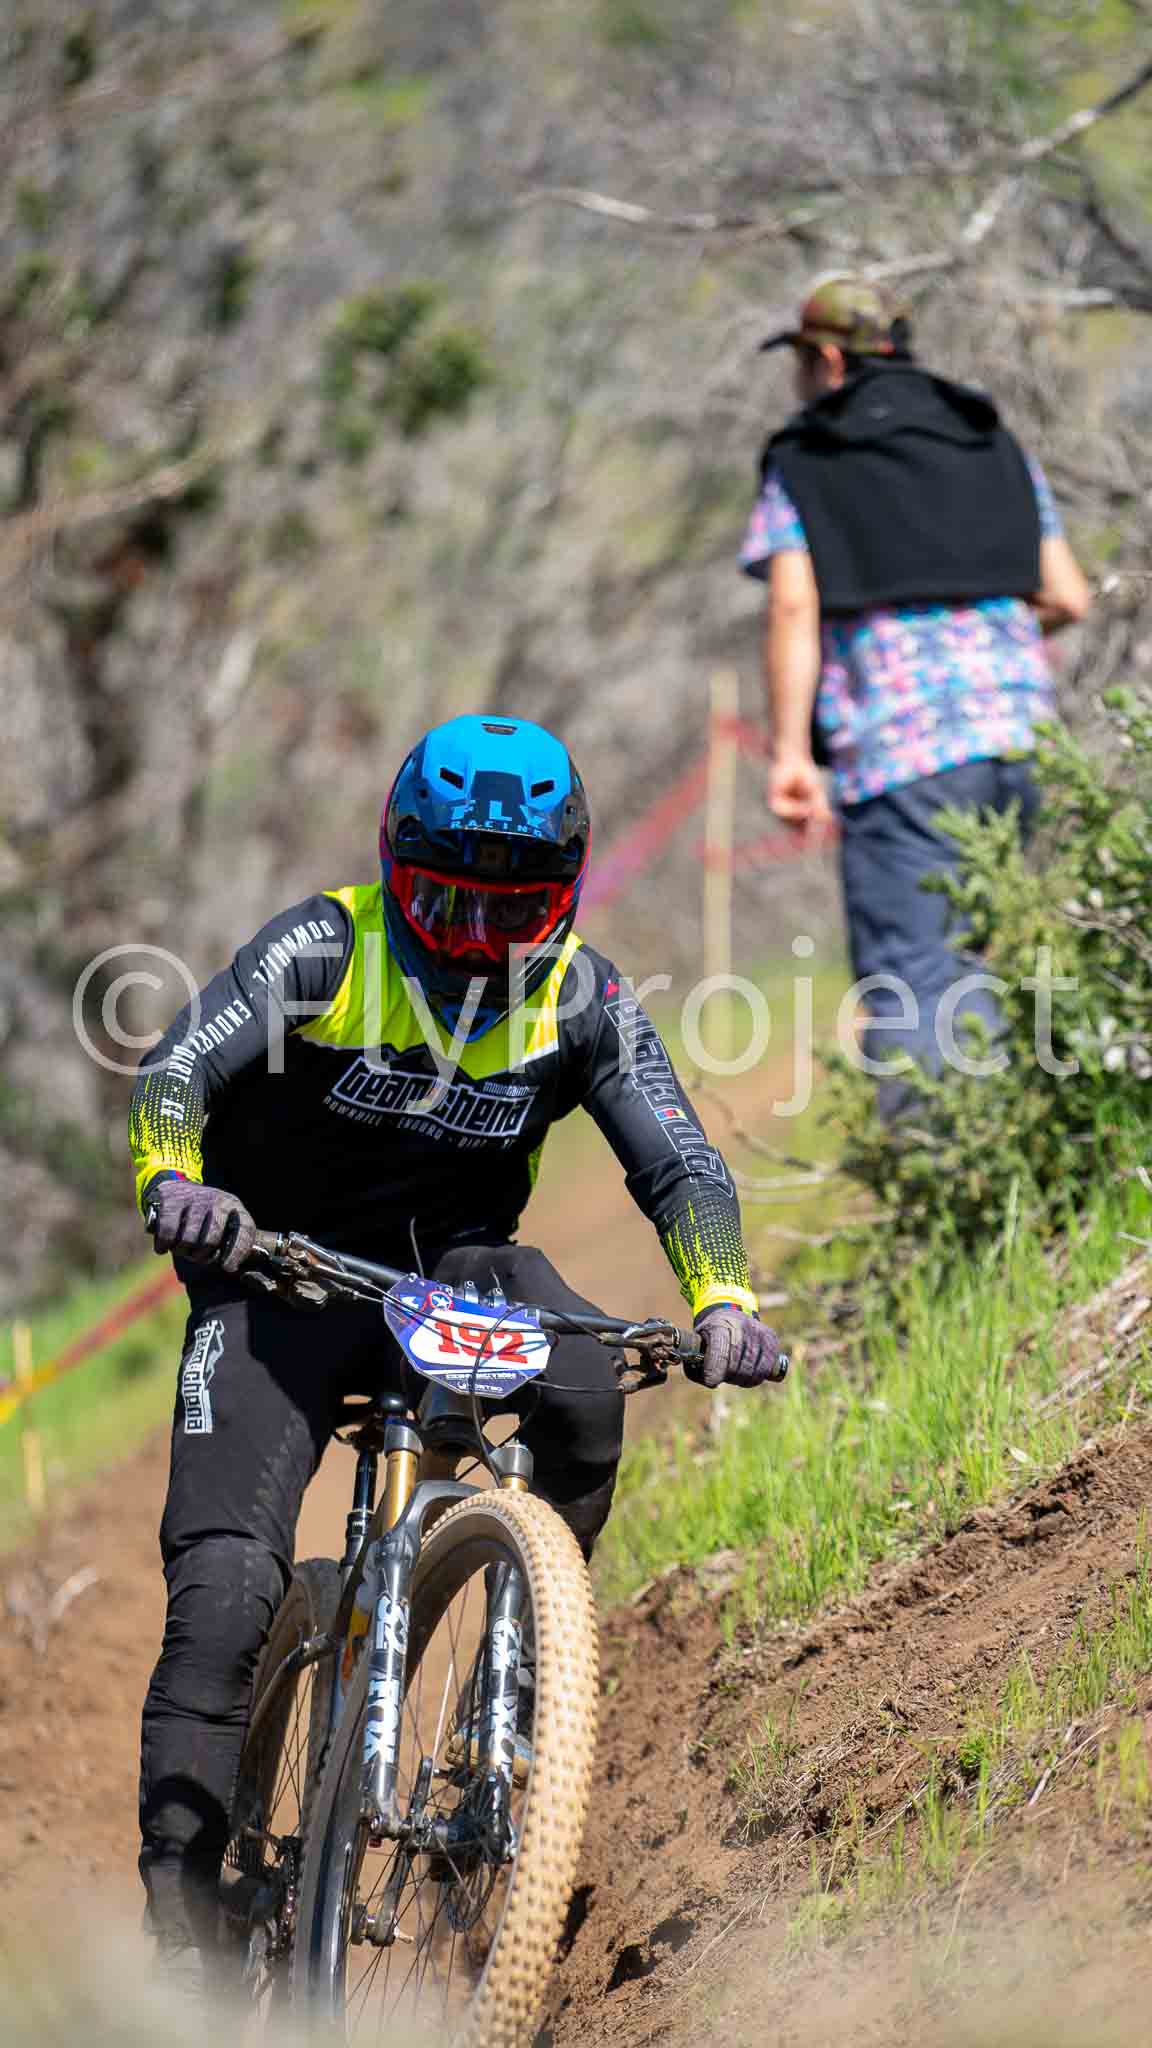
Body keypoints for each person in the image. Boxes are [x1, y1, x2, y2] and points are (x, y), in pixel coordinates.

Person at [129, 711, 784, 1990]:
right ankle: (177, 1938)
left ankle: (519, 1672)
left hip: (452, 1276)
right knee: (220, 1601)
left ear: (571, 889)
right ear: (392, 866)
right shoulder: (327, 944)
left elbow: (681, 1161)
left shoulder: (584, 992)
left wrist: (724, 1300)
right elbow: (175, 1071)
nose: (482, 940)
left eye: (518, 907)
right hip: (280, 1280)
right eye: (448, 902)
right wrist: (177, 1180)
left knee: (588, 1386)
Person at [741, 277, 1092, 1110]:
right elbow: (1068, 596)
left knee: (917, 984)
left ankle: (944, 1201)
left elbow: (794, 604)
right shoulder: (988, 436)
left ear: (828, 357)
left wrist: (792, 755)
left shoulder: (805, 458)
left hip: (905, 755)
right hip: (1023, 738)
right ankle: (1056, 1166)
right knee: (1019, 959)